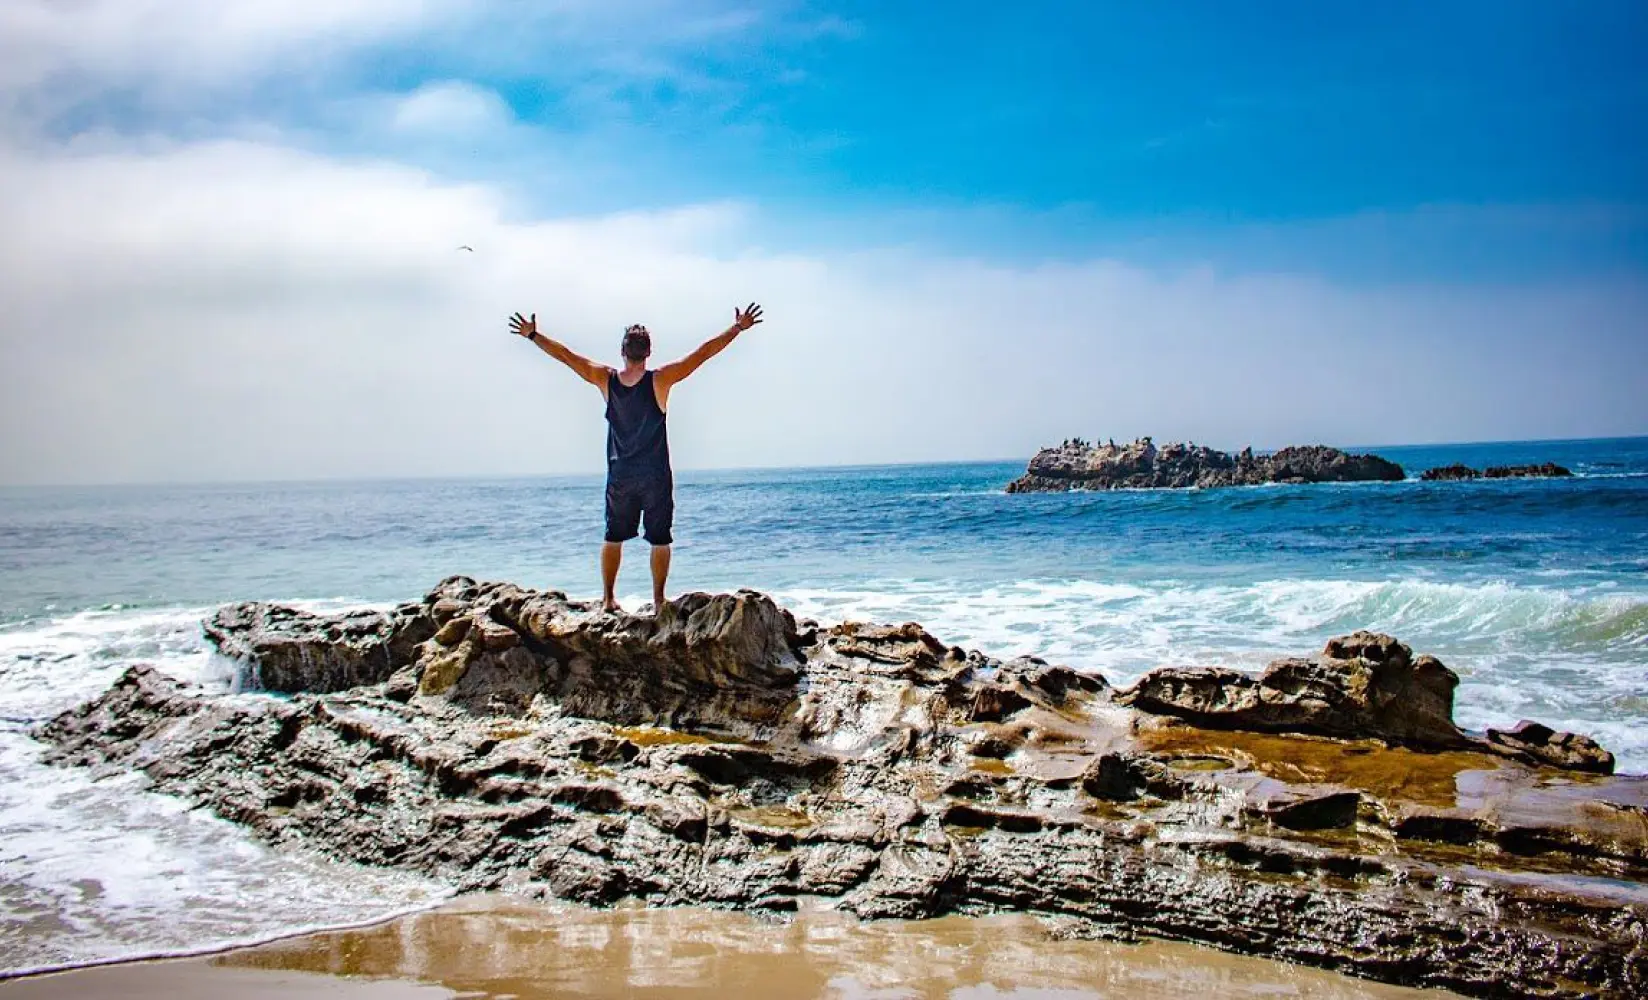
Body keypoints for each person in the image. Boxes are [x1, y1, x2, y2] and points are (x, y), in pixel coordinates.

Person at [507, 303, 766, 613]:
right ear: (649, 351)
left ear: (622, 350)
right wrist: (737, 328)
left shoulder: (606, 379)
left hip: (621, 475)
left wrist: (533, 335)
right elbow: (701, 355)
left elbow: (567, 356)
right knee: (660, 539)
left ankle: (608, 599)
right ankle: (658, 600)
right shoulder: (661, 379)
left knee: (613, 536)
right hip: (655, 476)